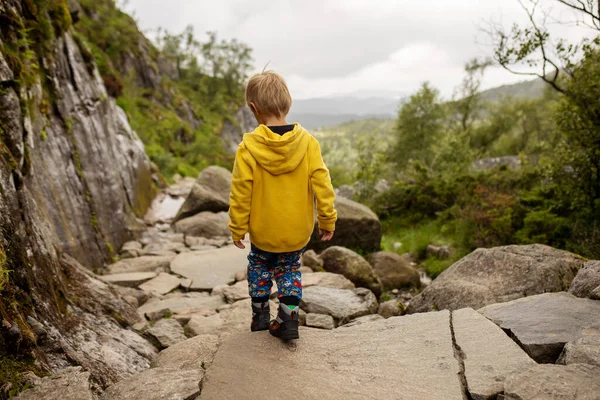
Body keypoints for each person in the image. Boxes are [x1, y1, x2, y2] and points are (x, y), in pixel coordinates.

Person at [228, 70, 337, 341]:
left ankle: (260, 316)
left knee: (259, 266)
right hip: (297, 230)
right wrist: (327, 219)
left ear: (253, 108)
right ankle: (288, 319)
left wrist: (237, 226)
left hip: (264, 231)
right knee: (289, 268)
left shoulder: (248, 148)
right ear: (288, 103)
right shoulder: (308, 143)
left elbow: (241, 190)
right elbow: (322, 184)